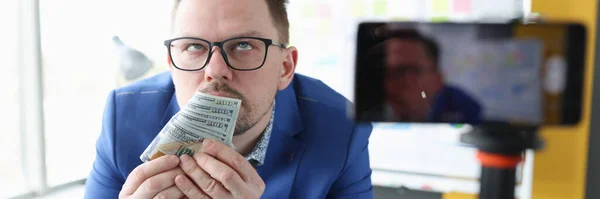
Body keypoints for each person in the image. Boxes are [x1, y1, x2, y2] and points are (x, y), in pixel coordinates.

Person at [84, 0, 374, 198]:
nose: (215, 70)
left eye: (244, 45)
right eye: (194, 46)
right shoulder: (122, 119)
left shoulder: (343, 128)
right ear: (171, 65)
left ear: (284, 68)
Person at [365, 28, 482, 124]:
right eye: (393, 72)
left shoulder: (463, 109)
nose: (405, 81)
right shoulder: (370, 113)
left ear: (438, 78)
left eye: (414, 71)